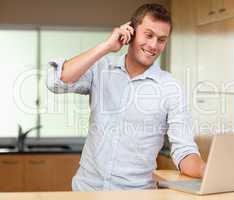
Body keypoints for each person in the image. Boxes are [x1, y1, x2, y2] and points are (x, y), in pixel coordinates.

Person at [47, 3, 206, 191]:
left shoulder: (171, 88)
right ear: (131, 31)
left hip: (137, 194)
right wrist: (106, 46)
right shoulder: (101, 68)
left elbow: (184, 150)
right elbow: (58, 82)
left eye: (161, 40)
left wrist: (210, 170)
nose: (154, 45)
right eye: (148, 35)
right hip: (87, 191)